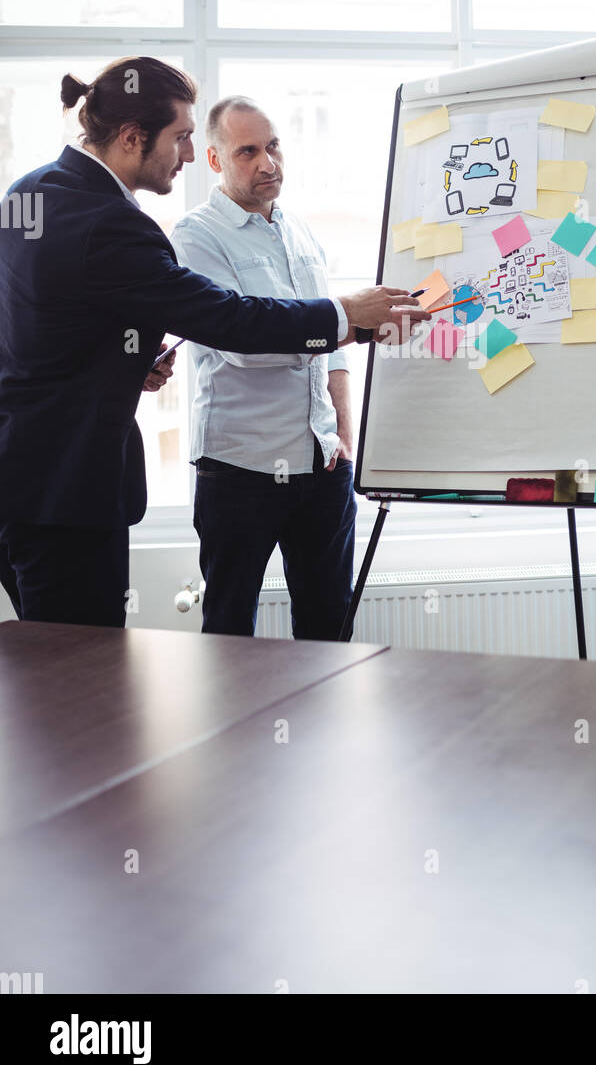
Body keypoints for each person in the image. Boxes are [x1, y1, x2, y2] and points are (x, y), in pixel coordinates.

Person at [0, 58, 427, 629]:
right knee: (82, 681)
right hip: (66, 490)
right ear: (132, 138)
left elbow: (35, 331)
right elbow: (228, 321)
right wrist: (345, 313)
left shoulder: (30, 193)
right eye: (180, 138)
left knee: (51, 677)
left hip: (23, 477)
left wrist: (125, 361)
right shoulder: (113, 223)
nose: (187, 154)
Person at [171, 97, 357, 640]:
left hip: (323, 465)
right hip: (240, 469)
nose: (267, 163)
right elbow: (243, 344)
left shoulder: (300, 231)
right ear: (214, 160)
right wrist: (339, 323)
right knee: (229, 633)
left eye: (273, 146)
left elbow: (334, 345)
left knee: (329, 632)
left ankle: (325, 729)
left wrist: (344, 434)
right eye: (247, 151)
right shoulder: (195, 235)